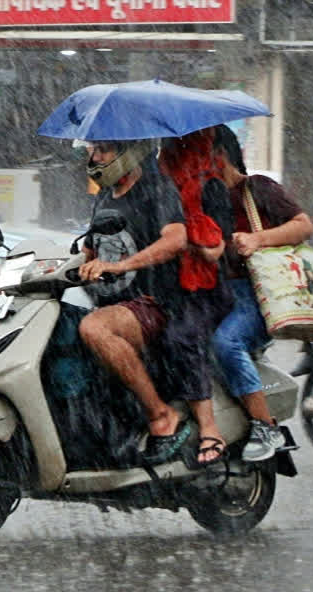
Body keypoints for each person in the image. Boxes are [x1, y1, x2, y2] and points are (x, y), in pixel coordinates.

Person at [76, 139, 194, 462]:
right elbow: (86, 252)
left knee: (94, 329)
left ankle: (161, 415)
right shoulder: (103, 196)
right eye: (91, 150)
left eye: (103, 150)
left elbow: (176, 240)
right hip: (113, 306)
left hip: (152, 302)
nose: (95, 158)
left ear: (128, 151)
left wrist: (120, 265)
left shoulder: (157, 188)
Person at [210, 124, 312, 462]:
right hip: (218, 294)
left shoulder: (257, 189)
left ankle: (265, 425)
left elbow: (302, 225)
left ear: (220, 156)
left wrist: (257, 240)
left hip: (259, 295)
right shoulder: (203, 199)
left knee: (226, 343)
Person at [157, 128, 232, 467]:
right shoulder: (157, 185)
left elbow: (218, 249)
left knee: (180, 337)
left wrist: (186, 242)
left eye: (180, 145)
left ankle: (209, 427)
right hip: (165, 284)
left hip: (206, 291)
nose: (171, 151)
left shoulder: (209, 186)